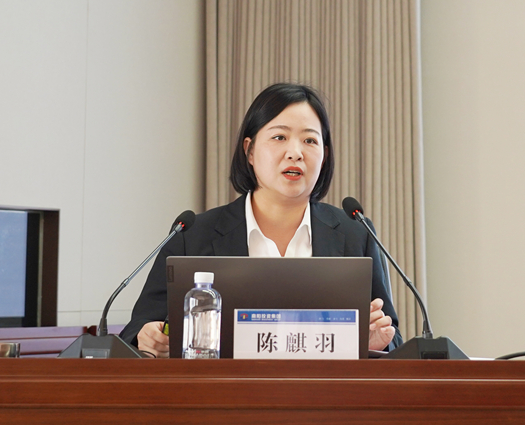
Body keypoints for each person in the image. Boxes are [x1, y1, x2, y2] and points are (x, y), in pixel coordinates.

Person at [119, 83, 402, 357]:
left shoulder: (356, 234)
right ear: (250, 150)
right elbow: (137, 331)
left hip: (322, 390)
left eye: (310, 140)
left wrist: (377, 342)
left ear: (324, 156)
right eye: (279, 137)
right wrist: (148, 338)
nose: (295, 153)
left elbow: (394, 340)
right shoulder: (191, 235)